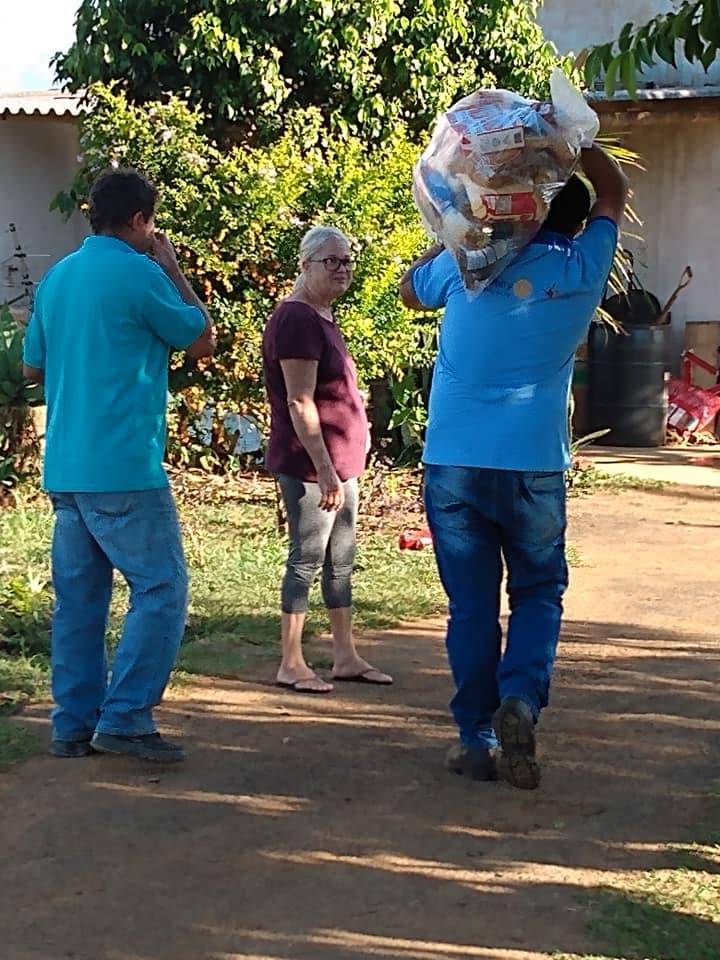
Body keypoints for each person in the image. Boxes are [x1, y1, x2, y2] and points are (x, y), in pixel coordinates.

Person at [400, 145, 628, 789]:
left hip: (453, 465)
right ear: (574, 222)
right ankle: (521, 702)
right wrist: (576, 145)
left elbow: (407, 291)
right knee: (536, 592)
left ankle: (474, 739)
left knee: (470, 605)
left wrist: (462, 226)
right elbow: (611, 194)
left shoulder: (466, 263)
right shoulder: (584, 264)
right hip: (532, 469)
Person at [23, 168, 216, 763]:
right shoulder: (140, 273)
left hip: (67, 467)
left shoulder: (58, 278)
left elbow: (33, 368)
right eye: (151, 222)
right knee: (162, 587)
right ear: (139, 220)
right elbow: (201, 338)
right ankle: (127, 715)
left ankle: (72, 724)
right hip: (125, 466)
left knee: (80, 604)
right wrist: (172, 266)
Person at [262, 226, 392, 694]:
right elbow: (300, 402)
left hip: (340, 463)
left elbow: (334, 391)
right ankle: (291, 662)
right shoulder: (296, 318)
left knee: (341, 560)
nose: (343, 269)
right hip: (311, 467)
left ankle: (345, 655)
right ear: (305, 265)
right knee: (307, 558)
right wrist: (323, 468)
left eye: (348, 260)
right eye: (331, 261)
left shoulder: (322, 315)